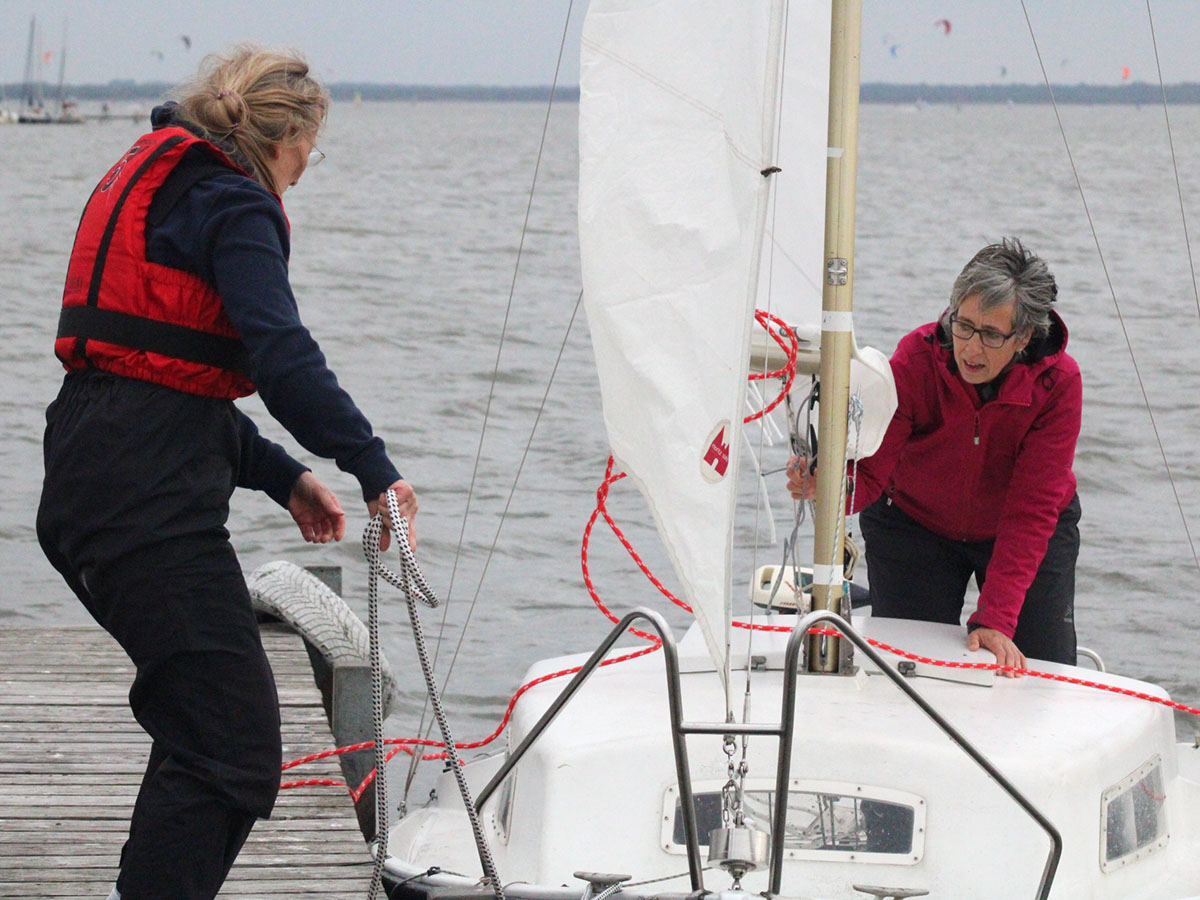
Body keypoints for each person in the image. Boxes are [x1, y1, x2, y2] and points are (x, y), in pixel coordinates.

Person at [36, 45, 415, 900]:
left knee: (199, 728)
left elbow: (151, 377)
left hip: (93, 477)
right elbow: (280, 358)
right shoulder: (236, 206)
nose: (309, 168)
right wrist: (373, 470)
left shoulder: (167, 181)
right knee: (233, 748)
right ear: (284, 140)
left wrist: (281, 474)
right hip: (145, 507)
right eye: (311, 148)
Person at [788, 238, 1080, 671]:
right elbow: (872, 470)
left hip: (1021, 528)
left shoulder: (1058, 383)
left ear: (1024, 337)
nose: (971, 348)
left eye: (991, 335)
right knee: (908, 668)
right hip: (914, 524)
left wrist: (995, 619)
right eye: (963, 325)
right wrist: (825, 486)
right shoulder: (917, 360)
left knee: (1040, 668)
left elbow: (1031, 508)